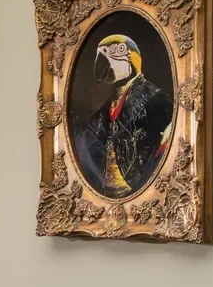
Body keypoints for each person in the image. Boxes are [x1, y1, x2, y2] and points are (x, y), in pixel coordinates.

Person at [74, 34, 173, 198]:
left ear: (135, 58)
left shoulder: (157, 100)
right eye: (103, 52)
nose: (105, 56)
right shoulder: (101, 114)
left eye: (119, 49)